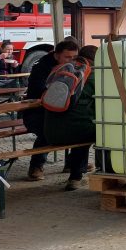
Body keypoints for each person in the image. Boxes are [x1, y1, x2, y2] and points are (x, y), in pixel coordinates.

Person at [24, 39, 80, 181]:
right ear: (56, 55)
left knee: (79, 129)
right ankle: (36, 167)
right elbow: (38, 90)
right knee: (47, 132)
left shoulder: (74, 67)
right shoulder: (41, 68)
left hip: (60, 112)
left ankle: (73, 163)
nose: (72, 61)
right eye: (68, 57)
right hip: (37, 112)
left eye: (74, 57)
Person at [45, 45, 98, 191]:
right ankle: (89, 175)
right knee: (104, 133)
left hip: (50, 132)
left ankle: (75, 175)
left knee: (79, 129)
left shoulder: (62, 70)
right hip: (76, 134)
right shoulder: (93, 75)